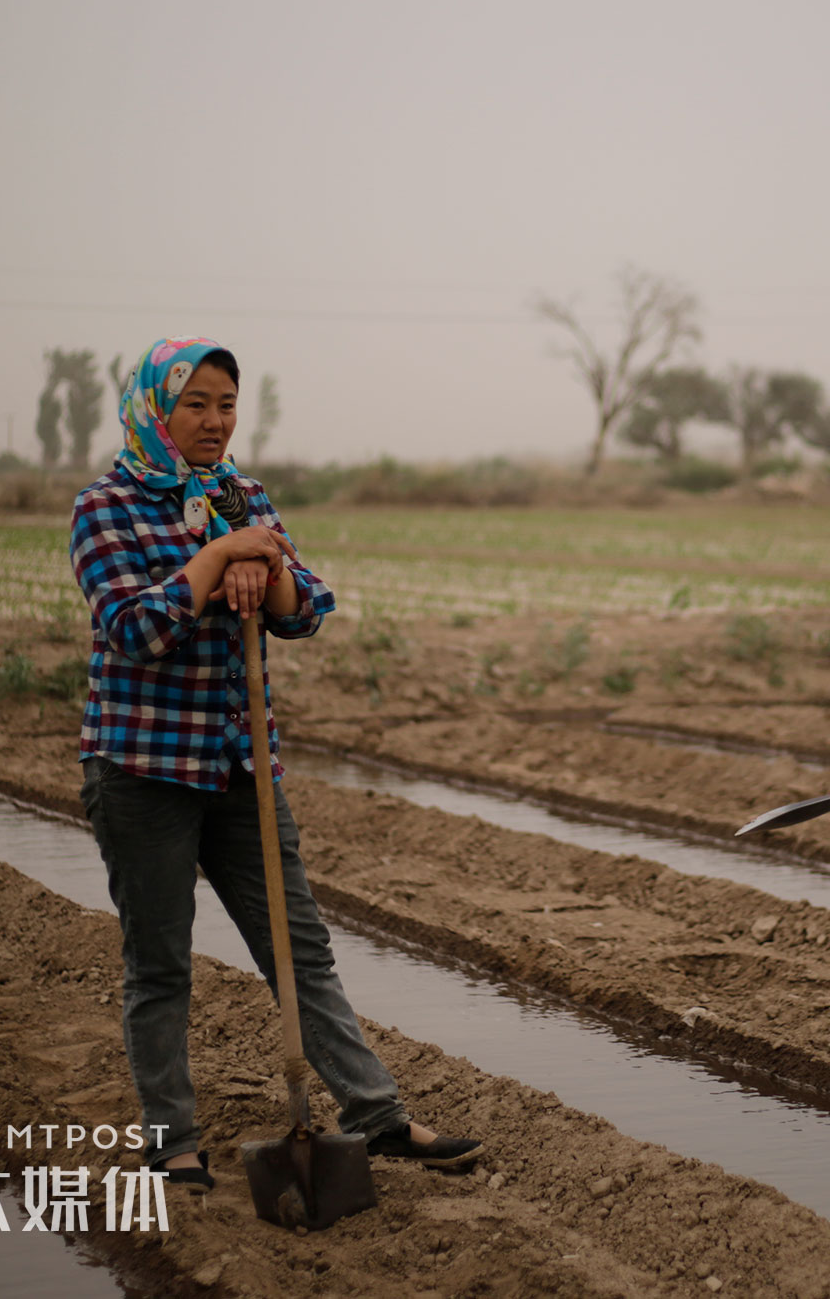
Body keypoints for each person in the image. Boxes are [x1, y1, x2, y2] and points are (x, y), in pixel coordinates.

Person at [70, 336, 482, 1188]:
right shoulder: (105, 507)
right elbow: (136, 628)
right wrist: (223, 557)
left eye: (226, 404)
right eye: (197, 405)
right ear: (157, 409)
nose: (216, 422)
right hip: (144, 772)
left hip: (239, 766)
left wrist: (263, 560)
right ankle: (172, 1140)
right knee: (161, 964)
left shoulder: (242, 495)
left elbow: (307, 609)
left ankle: (378, 1116)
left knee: (300, 948)